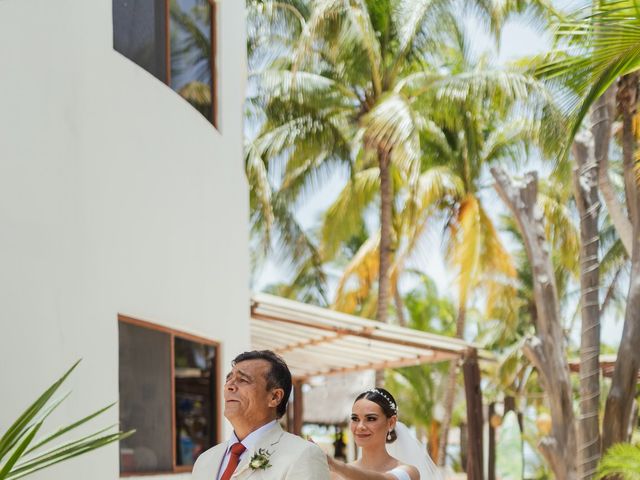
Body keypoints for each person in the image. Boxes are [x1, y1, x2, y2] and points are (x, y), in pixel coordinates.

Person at [192, 350, 330, 480]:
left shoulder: (303, 455)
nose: (229, 386)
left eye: (243, 380)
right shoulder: (205, 460)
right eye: (229, 379)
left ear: (275, 397)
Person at [327, 388, 440, 480]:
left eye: (371, 418)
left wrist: (336, 465)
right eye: (355, 418)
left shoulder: (409, 472)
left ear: (391, 422)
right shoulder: (336, 475)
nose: (360, 426)